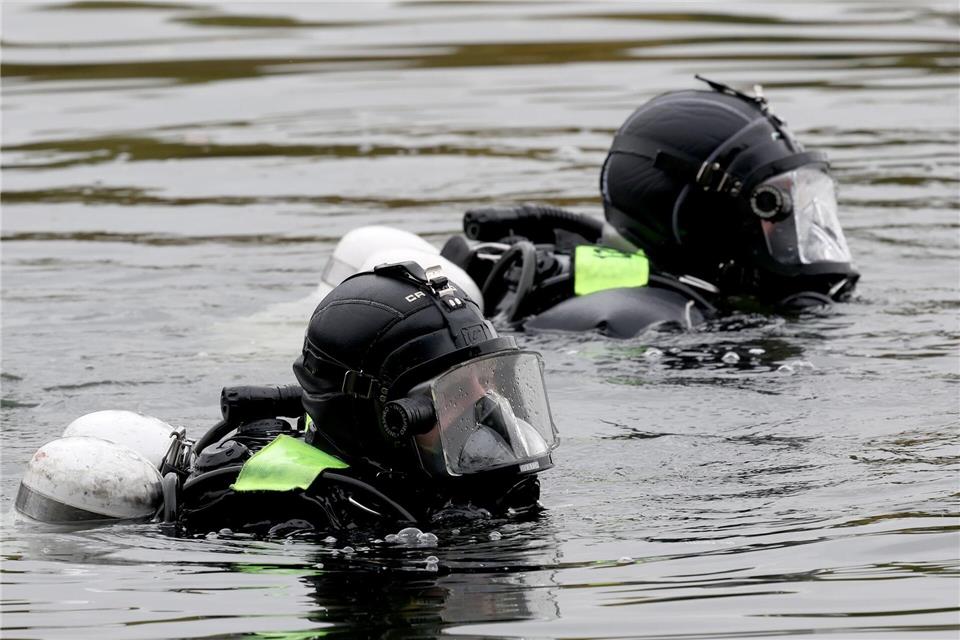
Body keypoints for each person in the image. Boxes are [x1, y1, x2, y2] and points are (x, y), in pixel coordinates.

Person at [439, 76, 860, 338]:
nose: (796, 233)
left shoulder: (691, 298)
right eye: (774, 208)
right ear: (702, 222)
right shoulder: (655, 323)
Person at [175, 261, 559, 536]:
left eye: (487, 376)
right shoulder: (303, 515)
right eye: (454, 388)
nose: (484, 400)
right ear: (380, 420)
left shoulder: (475, 480)